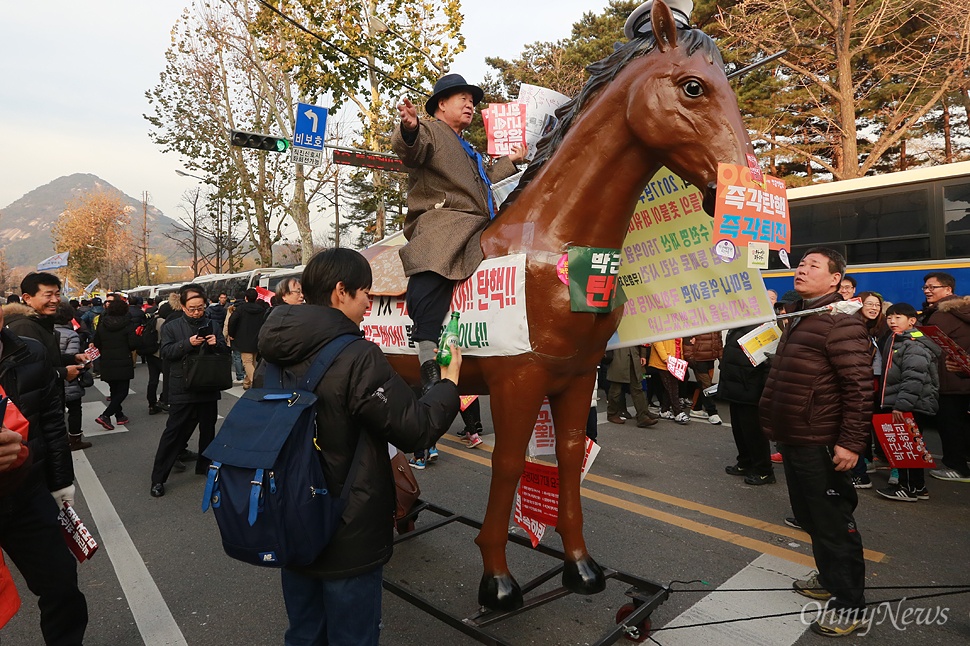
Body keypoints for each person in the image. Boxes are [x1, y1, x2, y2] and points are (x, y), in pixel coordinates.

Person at [256, 247, 461, 646]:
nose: (370, 303)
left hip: (291, 515)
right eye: (365, 292)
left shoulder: (272, 355)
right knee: (354, 637)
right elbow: (416, 429)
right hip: (347, 530)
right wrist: (449, 385)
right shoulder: (357, 356)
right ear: (340, 292)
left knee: (304, 632)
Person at [760, 247, 872, 637]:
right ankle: (829, 577)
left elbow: (858, 388)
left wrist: (851, 443)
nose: (801, 270)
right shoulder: (801, 316)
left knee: (832, 523)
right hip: (796, 436)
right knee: (809, 516)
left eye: (813, 266)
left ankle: (850, 605)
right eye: (801, 264)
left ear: (836, 279)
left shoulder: (840, 323)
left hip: (820, 440)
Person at [391, 73, 526, 395]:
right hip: (444, 221)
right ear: (441, 105)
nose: (470, 105)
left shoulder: (468, 149)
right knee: (432, 260)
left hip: (480, 222)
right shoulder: (431, 132)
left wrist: (512, 161)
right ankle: (426, 352)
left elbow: (485, 181)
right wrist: (408, 128)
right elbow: (411, 148)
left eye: (472, 101)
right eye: (462, 99)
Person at [0, 304, 88, 644]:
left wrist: (61, 482)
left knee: (61, 584)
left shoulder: (31, 351)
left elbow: (52, 421)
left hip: (26, 492)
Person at [149, 285, 230, 496]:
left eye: (200, 308)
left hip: (208, 385)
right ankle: (158, 478)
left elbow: (224, 350)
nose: (197, 313)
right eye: (192, 308)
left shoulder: (212, 323)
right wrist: (188, 343)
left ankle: (204, 465)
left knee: (208, 429)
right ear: (183, 306)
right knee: (174, 433)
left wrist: (216, 343)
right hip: (182, 387)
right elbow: (166, 352)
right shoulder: (172, 326)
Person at [5, 273, 92, 449]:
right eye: (48, 295)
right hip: (35, 413)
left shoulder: (39, 322)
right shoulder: (24, 326)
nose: (55, 300)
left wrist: (72, 357)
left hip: (46, 406)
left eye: (57, 294)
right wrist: (64, 372)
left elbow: (42, 359)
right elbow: (26, 374)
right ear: (28, 298)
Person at [875, 303, 940, 502]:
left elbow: (914, 378)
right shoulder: (899, 340)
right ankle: (918, 487)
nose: (892, 322)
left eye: (898, 318)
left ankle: (907, 487)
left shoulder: (913, 344)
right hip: (907, 403)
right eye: (889, 318)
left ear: (912, 321)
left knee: (907, 447)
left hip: (910, 404)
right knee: (910, 445)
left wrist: (901, 406)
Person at [918, 272, 970, 482]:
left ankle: (956, 467)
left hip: (948, 377)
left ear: (948, 290)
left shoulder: (942, 314)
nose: (928, 291)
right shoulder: (962, 310)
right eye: (926, 287)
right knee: (961, 423)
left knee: (950, 425)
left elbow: (922, 340)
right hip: (963, 377)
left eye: (933, 287)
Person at [721, 323, 775, 485]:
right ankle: (745, 462)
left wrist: (764, 390)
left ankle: (764, 470)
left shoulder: (763, 328)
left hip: (751, 389)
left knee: (754, 433)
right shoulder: (736, 326)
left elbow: (769, 363)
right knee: (739, 429)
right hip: (736, 388)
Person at [93, 297, 139, 430]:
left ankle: (119, 415)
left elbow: (97, 343)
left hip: (107, 360)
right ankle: (105, 415)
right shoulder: (128, 325)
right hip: (123, 360)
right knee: (123, 391)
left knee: (114, 390)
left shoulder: (102, 325)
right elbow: (132, 344)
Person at [53, 303, 90, 451]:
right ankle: (75, 439)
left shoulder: (47, 332)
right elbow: (73, 356)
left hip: (54, 377)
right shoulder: (71, 335)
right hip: (69, 376)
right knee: (75, 409)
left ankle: (60, 441)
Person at [227, 288, 268, 389]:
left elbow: (232, 320)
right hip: (257, 338)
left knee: (247, 362)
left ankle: (257, 383)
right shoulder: (261, 310)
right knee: (252, 361)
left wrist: (231, 334)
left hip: (243, 339)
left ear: (246, 298)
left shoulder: (241, 309)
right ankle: (247, 383)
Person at [605, 346, 656, 427]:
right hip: (618, 357)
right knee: (615, 390)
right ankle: (612, 414)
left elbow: (639, 338)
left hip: (633, 356)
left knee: (637, 388)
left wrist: (643, 355)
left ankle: (642, 415)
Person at [683, 332, 723, 425]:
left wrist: (721, 357)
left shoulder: (716, 323)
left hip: (711, 358)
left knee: (702, 385)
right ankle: (712, 412)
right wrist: (690, 357)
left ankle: (696, 409)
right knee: (706, 385)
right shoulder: (696, 321)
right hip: (698, 359)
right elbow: (687, 340)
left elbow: (719, 341)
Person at [647, 338, 689, 424]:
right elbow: (657, 341)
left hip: (675, 361)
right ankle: (678, 412)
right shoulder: (663, 325)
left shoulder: (676, 326)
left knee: (670, 387)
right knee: (673, 386)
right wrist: (665, 358)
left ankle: (664, 410)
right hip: (666, 361)